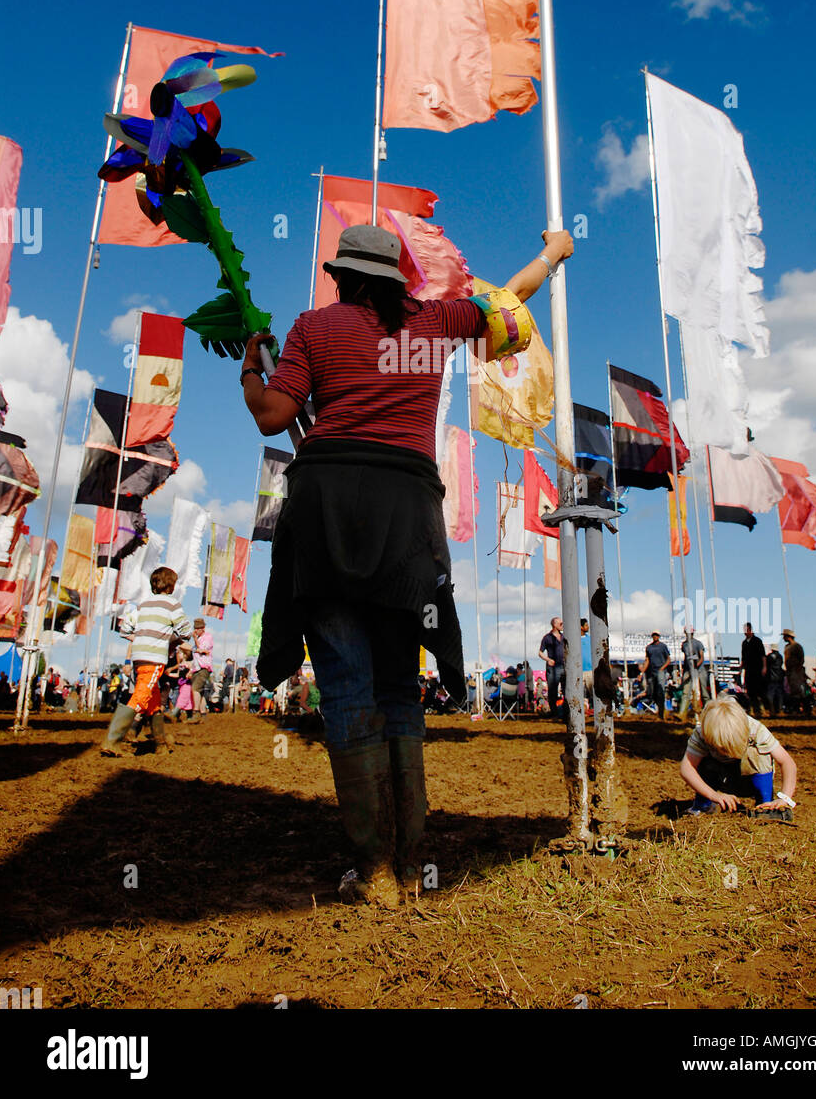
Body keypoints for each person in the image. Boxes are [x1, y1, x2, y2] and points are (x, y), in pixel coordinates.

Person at [244, 222, 574, 906]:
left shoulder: (313, 326)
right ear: (401, 278)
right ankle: (410, 859)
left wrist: (253, 366)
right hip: (407, 516)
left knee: (345, 688)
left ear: (341, 277)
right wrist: (551, 252)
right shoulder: (438, 321)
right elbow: (512, 304)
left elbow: (274, 415)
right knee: (398, 689)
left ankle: (374, 873)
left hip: (326, 510)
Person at [101, 567, 192, 756]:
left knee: (154, 698)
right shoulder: (172, 605)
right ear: (172, 585)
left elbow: (125, 629)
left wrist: (141, 638)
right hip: (154, 657)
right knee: (141, 696)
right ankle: (113, 739)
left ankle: (159, 743)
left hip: (139, 657)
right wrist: (168, 638)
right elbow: (185, 632)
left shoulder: (142, 605)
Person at [680, 696, 798, 817]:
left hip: (749, 780)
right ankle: (703, 805)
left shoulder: (756, 729)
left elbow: (787, 762)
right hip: (720, 778)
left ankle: (765, 805)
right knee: (699, 758)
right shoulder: (702, 733)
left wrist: (785, 798)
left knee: (758, 754)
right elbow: (687, 768)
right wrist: (713, 795)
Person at [539, 616, 566, 719]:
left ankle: (564, 711)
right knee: (553, 691)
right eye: (560, 624)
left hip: (563, 666)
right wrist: (548, 660)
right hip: (553, 667)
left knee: (565, 689)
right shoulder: (547, 638)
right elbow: (540, 652)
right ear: (554, 625)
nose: (562, 625)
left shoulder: (564, 637)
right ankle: (554, 712)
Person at [679, 629, 709, 718]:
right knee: (686, 692)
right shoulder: (684, 645)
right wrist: (685, 671)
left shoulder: (698, 643)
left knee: (704, 692)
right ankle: (682, 714)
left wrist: (696, 666)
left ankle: (707, 712)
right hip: (688, 670)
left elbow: (701, 657)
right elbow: (686, 658)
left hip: (699, 670)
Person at [641, 632, 671, 720]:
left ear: (659, 636)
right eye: (654, 635)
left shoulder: (663, 646)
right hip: (651, 672)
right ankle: (660, 710)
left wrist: (662, 668)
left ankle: (661, 713)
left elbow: (668, 659)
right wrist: (642, 671)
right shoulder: (649, 647)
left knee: (660, 691)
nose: (655, 637)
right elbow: (647, 660)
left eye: (657, 635)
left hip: (661, 671)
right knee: (652, 693)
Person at [189, 618, 213, 723]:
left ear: (203, 628)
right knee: (200, 692)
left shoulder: (207, 637)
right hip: (197, 667)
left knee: (195, 689)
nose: (196, 631)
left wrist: (195, 639)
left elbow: (201, 650)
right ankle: (203, 715)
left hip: (204, 667)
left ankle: (196, 713)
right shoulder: (198, 638)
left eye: (198, 629)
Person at [740, 622, 766, 717]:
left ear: (750, 630)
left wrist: (764, 667)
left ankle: (761, 709)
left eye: (746, 630)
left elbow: (763, 655)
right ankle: (752, 709)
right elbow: (743, 657)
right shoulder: (744, 643)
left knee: (758, 690)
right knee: (750, 691)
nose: (745, 632)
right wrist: (741, 667)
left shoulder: (757, 641)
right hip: (748, 670)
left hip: (757, 669)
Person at [782, 630, 810, 714]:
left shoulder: (797, 646)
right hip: (790, 671)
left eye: (784, 636)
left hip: (796, 671)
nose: (783, 638)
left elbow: (801, 659)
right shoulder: (787, 647)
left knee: (799, 691)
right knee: (793, 691)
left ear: (788, 637)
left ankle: (806, 709)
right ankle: (796, 709)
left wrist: (797, 670)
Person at [765, 645, 785, 715]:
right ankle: (779, 709)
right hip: (779, 677)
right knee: (779, 695)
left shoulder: (769, 656)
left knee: (770, 695)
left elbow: (766, 665)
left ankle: (771, 710)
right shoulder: (780, 656)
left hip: (771, 678)